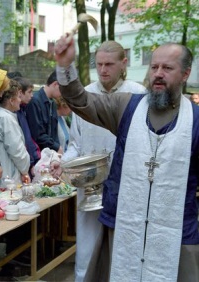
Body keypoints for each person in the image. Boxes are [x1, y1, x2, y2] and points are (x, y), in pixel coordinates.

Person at [54, 38, 199, 281]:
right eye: (154, 68)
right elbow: (82, 101)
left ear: (185, 74)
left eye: (167, 68)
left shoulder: (195, 120)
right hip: (124, 226)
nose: (158, 74)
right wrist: (65, 66)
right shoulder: (127, 107)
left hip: (176, 231)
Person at [59, 40, 147, 282]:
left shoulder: (139, 94)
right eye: (99, 64)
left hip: (126, 183)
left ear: (124, 63)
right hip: (89, 183)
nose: (104, 69)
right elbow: (76, 144)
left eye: (109, 64)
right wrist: (63, 163)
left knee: (124, 241)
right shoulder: (85, 95)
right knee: (87, 242)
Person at [0, 79, 30, 186]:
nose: (20, 100)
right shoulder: (6, 118)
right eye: (19, 97)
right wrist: (25, 170)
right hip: (8, 173)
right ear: (11, 100)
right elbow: (16, 149)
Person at [26, 70, 61, 153]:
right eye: (63, 90)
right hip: (39, 155)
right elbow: (37, 134)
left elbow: (54, 132)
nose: (63, 94)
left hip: (51, 154)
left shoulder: (53, 103)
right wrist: (56, 147)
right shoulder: (35, 101)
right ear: (55, 84)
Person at [14, 76, 41, 177]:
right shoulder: (16, 113)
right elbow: (24, 141)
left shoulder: (22, 110)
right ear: (20, 93)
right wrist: (31, 163)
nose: (32, 95)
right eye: (29, 92)